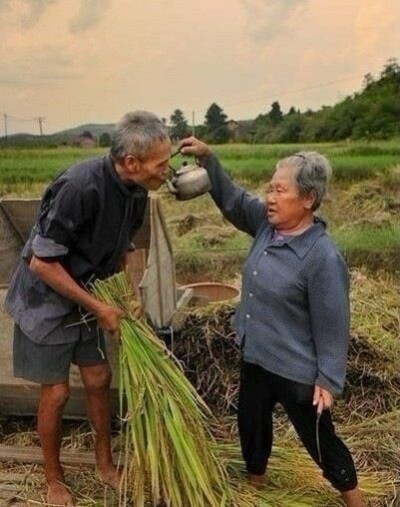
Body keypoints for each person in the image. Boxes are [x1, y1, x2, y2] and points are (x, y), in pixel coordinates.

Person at [179, 137, 363, 507]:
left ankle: (355, 498)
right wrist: (209, 159)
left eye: (280, 190)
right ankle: (256, 486)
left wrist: (328, 378)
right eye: (270, 189)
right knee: (252, 424)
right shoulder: (266, 226)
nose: (270, 198)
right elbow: (232, 200)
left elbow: (333, 321)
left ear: (308, 199)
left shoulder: (321, 256)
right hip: (257, 355)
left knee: (319, 438)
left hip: (296, 368)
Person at [5, 111, 172, 506]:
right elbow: (41, 263)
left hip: (88, 294)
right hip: (44, 300)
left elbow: (123, 247)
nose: (167, 171)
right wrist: (100, 306)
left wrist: (124, 292)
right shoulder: (80, 186)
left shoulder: (137, 192)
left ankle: (105, 465)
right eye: (161, 163)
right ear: (133, 162)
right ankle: (53, 480)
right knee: (58, 392)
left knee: (98, 379)